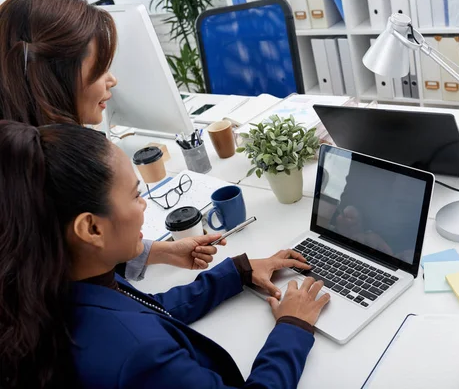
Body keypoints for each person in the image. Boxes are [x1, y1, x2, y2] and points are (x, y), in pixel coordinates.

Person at [0, 121, 331, 388]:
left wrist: (237, 271)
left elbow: (147, 309)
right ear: (91, 229)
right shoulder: (139, 355)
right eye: (135, 196)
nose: (144, 205)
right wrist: (293, 327)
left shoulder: (54, 284)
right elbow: (139, 328)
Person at [0, 0, 211, 280]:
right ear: (53, 78)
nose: (112, 79)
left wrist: (161, 252)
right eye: (99, 69)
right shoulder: (29, 188)